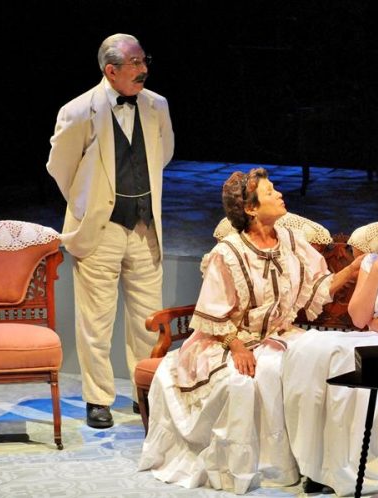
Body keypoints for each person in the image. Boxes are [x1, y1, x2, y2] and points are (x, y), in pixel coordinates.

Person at [138, 167, 362, 494]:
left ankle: (317, 461)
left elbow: (318, 287)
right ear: (251, 208)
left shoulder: (290, 241)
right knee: (245, 382)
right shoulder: (227, 254)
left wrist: (353, 269)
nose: (280, 195)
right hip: (223, 343)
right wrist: (237, 346)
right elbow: (212, 316)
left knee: (313, 364)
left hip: (272, 337)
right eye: (270, 192)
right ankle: (256, 466)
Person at [46, 33, 175, 428]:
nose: (144, 70)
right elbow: (61, 168)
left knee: (146, 318)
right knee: (96, 320)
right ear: (111, 70)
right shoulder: (79, 110)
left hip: (143, 226)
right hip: (100, 230)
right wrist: (90, 203)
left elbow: (163, 154)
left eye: (144, 61)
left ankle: (143, 392)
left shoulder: (157, 105)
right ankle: (98, 399)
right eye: (135, 64)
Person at [283, 204, 378, 495]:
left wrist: (374, 321)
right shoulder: (372, 263)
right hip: (371, 338)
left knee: (345, 364)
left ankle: (351, 467)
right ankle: (320, 464)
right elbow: (358, 318)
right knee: (310, 347)